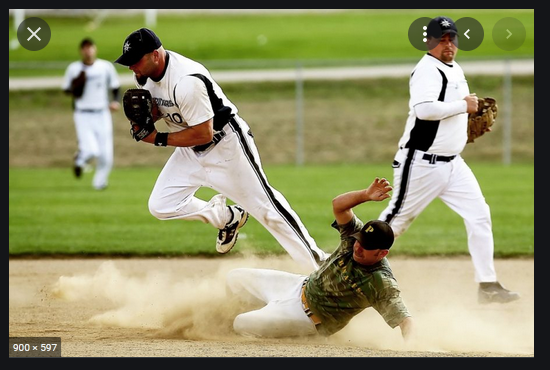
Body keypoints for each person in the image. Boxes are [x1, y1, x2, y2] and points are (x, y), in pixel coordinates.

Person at [114, 28, 328, 271]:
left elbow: (203, 132)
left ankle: (320, 264)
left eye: (135, 61)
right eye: (127, 63)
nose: (131, 67)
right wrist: (143, 121)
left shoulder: (186, 81)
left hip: (226, 147)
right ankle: (228, 218)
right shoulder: (144, 76)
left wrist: (157, 138)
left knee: (267, 209)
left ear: (154, 55)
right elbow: (159, 109)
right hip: (190, 151)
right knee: (161, 204)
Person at [378, 16, 520, 304]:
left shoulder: (455, 68)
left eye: (451, 38)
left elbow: (453, 114)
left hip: (453, 163)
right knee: (394, 223)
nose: (448, 44)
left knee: (480, 215)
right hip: (420, 163)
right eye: (441, 39)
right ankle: (344, 262)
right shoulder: (427, 71)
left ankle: (487, 285)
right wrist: (463, 106)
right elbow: (425, 110)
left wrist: (465, 127)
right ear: (429, 41)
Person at [225, 177, 413, 340]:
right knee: (234, 278)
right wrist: (365, 194)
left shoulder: (380, 281)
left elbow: (405, 321)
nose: (359, 247)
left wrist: (412, 350)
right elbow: (338, 205)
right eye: (360, 241)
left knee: (240, 323)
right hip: (298, 286)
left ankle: (288, 330)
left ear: (382, 253)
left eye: (367, 247)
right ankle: (266, 312)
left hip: (306, 318)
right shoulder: (353, 238)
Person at [62, 37, 121, 191]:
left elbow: (115, 86)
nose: (88, 51)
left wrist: (115, 101)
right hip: (83, 114)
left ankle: (99, 183)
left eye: (90, 47)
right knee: (91, 150)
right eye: (85, 48)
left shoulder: (105, 67)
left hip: (102, 113)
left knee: (106, 154)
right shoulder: (74, 69)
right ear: (81, 50)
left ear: (95, 49)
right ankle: (80, 160)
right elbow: (67, 89)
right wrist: (76, 86)